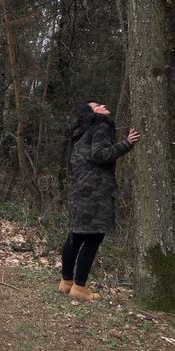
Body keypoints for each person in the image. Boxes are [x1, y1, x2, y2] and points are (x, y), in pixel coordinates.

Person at [59, 100, 140, 301]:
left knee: (76, 236)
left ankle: (66, 282)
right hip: (95, 193)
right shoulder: (101, 124)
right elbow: (100, 154)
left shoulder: (80, 133)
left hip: (79, 191)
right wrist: (126, 144)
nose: (103, 106)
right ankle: (79, 287)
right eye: (97, 105)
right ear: (92, 113)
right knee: (93, 238)